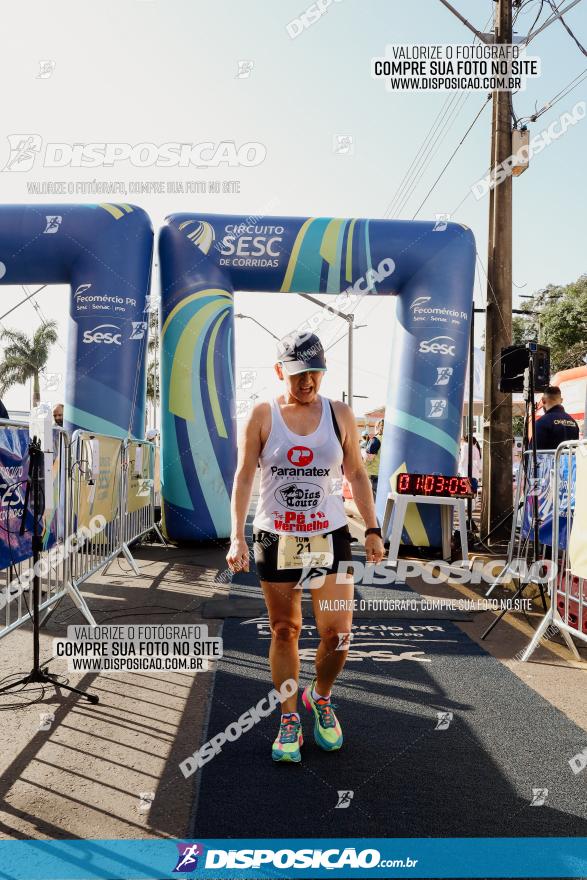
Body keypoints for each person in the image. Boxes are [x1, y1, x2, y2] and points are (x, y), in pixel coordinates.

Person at [226, 331, 384, 764]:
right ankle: (289, 717)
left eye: (315, 372)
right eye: (298, 374)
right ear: (281, 371)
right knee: (285, 630)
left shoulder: (340, 414)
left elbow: (356, 474)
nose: (307, 381)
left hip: (327, 535)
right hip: (276, 536)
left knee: (337, 635)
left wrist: (372, 528)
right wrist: (236, 535)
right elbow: (244, 477)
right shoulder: (262, 414)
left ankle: (322, 696)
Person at [534, 386, 579, 451]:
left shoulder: (541, 423)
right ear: (561, 400)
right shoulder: (573, 422)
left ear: (543, 400)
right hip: (570, 461)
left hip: (550, 461)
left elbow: (533, 453)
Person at [364, 418, 384, 496]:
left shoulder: (376, 440)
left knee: (374, 501)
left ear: (378, 427)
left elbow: (369, 458)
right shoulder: (389, 440)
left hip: (374, 475)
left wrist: (362, 453)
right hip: (384, 475)